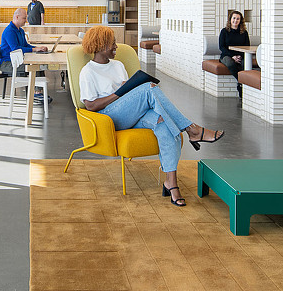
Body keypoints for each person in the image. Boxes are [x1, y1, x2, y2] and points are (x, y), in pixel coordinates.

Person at [78, 26, 224, 207]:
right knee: (148, 89)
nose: (116, 45)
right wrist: (120, 93)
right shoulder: (88, 71)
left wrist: (129, 90)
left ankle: (171, 183)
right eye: (112, 43)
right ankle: (191, 129)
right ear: (100, 45)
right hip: (109, 118)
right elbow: (90, 106)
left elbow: (129, 93)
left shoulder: (118, 65)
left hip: (130, 112)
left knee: (164, 123)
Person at [218, 10, 259, 98]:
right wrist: (232, 56)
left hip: (241, 55)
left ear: (240, 21)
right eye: (234, 18)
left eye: (238, 19)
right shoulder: (224, 31)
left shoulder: (244, 33)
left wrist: (239, 56)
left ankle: (246, 85)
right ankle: (241, 82)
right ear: (230, 19)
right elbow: (221, 47)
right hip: (227, 55)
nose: (235, 20)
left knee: (246, 64)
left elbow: (247, 47)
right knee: (230, 63)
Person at [0, 7, 47, 75]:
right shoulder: (9, 31)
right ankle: (35, 85)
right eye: (24, 18)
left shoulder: (20, 30)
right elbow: (16, 49)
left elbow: (25, 45)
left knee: (38, 66)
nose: (26, 20)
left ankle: (35, 85)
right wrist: (34, 49)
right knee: (36, 67)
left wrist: (37, 48)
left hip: (17, 61)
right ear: (17, 17)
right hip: (8, 64)